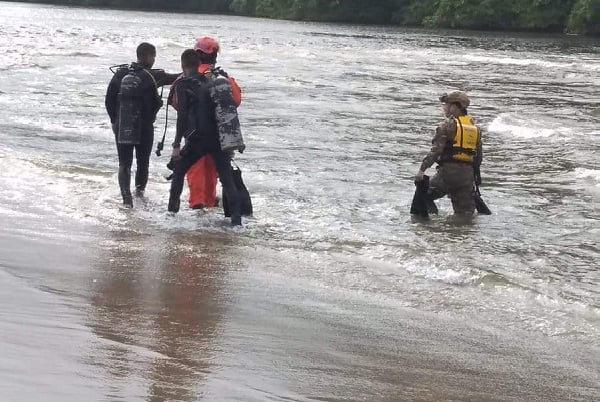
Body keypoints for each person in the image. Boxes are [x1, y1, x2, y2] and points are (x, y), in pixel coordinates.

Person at [167, 49, 245, 225]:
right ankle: (236, 221)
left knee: (179, 170)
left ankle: (171, 214)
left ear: (183, 66)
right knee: (226, 178)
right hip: (217, 138)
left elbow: (182, 116)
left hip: (198, 138)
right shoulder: (208, 80)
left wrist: (177, 144)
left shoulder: (183, 84)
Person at [105, 42, 179, 207]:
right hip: (144, 128)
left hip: (122, 126)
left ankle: (126, 200)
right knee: (142, 162)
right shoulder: (153, 76)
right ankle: (139, 194)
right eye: (153, 56)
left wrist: (113, 120)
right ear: (148, 56)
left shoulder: (120, 73)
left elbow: (109, 99)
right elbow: (176, 77)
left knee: (124, 163)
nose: (154, 60)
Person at [415, 91, 483, 215]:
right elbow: (478, 158)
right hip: (467, 177)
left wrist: (422, 170)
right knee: (465, 216)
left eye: (446, 104)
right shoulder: (475, 128)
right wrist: (476, 176)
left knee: (422, 197)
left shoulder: (447, 126)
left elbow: (436, 151)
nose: (444, 107)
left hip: (447, 174)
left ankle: (429, 227)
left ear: (455, 107)